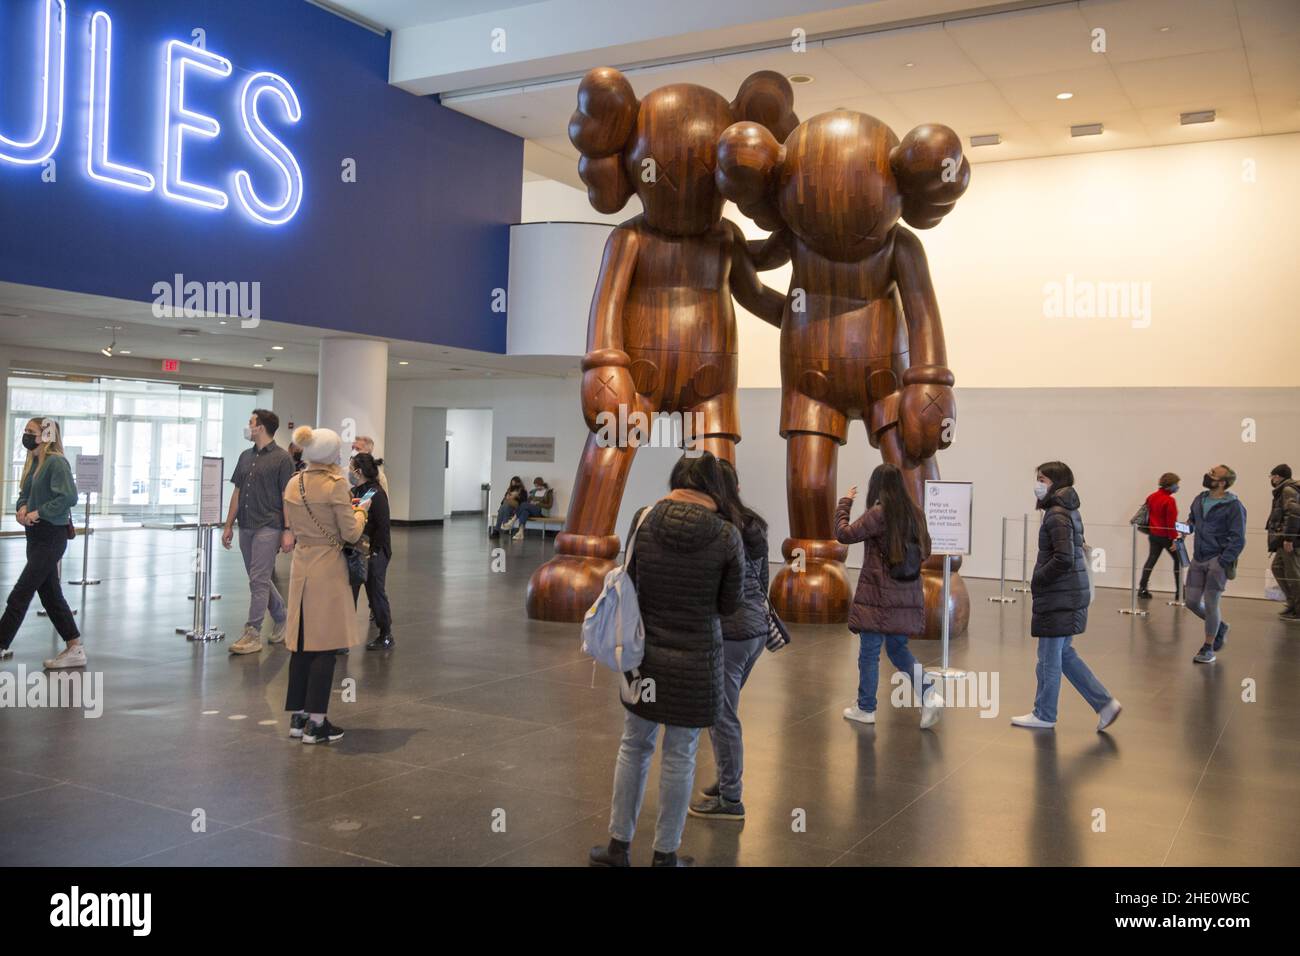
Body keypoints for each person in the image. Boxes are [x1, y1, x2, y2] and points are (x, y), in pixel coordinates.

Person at [590, 452, 743, 868]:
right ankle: (665, 855)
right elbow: (729, 605)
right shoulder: (727, 535)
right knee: (681, 753)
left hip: (644, 657)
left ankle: (618, 848)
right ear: (716, 488)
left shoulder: (644, 518)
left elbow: (631, 579)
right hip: (697, 661)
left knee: (634, 746)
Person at [1012, 461, 1122, 731]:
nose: (1037, 484)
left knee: (1049, 658)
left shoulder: (1056, 514)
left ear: (1056, 482)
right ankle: (1105, 704)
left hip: (1059, 596)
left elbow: (1063, 558)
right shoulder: (1067, 510)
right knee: (1064, 654)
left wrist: (1038, 578)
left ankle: (1045, 713)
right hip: (1068, 594)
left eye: (1042, 479)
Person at [281, 425, 371, 744]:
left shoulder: (295, 483)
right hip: (327, 567)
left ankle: (298, 717)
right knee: (326, 645)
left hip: (302, 565)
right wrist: (361, 513)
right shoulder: (335, 486)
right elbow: (350, 533)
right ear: (331, 454)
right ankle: (317, 723)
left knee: (302, 643)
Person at [835, 463, 942, 730]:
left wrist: (844, 504)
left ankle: (866, 707)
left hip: (878, 597)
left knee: (869, 654)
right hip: (906, 595)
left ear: (876, 486)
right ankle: (929, 692)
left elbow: (844, 535)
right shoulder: (916, 514)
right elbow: (926, 550)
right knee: (897, 649)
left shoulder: (878, 514)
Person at [689, 459, 768, 821]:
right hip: (754, 630)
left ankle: (731, 798)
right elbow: (762, 580)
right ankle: (726, 780)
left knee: (721, 715)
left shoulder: (716, 529)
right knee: (724, 711)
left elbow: (712, 588)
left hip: (730, 632)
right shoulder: (753, 523)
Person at [0, 418, 84, 669]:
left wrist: (40, 512)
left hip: (51, 535)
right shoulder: (34, 463)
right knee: (50, 594)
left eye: (31, 432)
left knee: (21, 592)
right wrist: (23, 507)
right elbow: (24, 495)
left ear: (46, 435)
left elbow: (69, 496)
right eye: (25, 431)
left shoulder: (56, 462)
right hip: (35, 536)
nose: (26, 435)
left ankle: (1, 642)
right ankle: (75, 646)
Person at [222, 409, 295, 655]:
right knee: (258, 578)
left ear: (261, 427)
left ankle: (253, 632)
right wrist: (228, 524)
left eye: (251, 422)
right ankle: (282, 615)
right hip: (246, 525)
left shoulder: (283, 459)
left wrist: (287, 530)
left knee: (258, 579)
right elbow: (237, 492)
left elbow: (288, 497)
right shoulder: (245, 456)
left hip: (269, 525)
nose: (248, 426)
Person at [1185, 464, 1247, 663]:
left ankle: (1208, 647)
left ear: (1222, 482)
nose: (1208, 474)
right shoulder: (1199, 499)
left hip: (1217, 560)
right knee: (1192, 602)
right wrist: (1186, 528)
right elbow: (1192, 520)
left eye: (1213, 474)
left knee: (1212, 604)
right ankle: (1220, 626)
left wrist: (1223, 561)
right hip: (1198, 557)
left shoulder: (1234, 506)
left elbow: (1238, 538)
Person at [350, 453, 394, 649]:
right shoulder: (355, 492)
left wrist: (376, 553)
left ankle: (386, 634)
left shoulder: (376, 493)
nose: (349, 471)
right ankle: (342, 636)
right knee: (348, 592)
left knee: (375, 592)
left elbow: (384, 527)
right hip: (356, 550)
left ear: (358, 471)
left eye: (351, 467)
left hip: (375, 551)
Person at [1138, 472, 1182, 600]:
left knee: (1151, 560)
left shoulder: (1152, 497)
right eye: (1176, 484)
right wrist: (1174, 539)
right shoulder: (1169, 501)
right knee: (1178, 560)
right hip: (1166, 536)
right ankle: (1180, 592)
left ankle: (1142, 588)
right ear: (1170, 486)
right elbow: (1170, 523)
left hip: (1153, 534)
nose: (1178, 487)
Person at [1266, 464, 1300, 623]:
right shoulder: (1285, 490)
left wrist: (1289, 538)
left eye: (1271, 476)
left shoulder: (1287, 490)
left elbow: (1293, 513)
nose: (1271, 480)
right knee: (1277, 568)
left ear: (1277, 476)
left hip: (1290, 540)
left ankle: (1298, 609)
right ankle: (1292, 603)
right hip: (1283, 539)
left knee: (1293, 574)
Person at [510, 476, 554, 540]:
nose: (537, 487)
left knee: (523, 504)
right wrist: (531, 502)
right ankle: (521, 532)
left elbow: (550, 505)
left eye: (538, 486)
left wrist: (538, 503)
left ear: (541, 484)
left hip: (542, 512)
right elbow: (527, 502)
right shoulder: (534, 491)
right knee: (524, 512)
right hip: (533, 510)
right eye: (535, 486)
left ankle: (512, 520)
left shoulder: (548, 492)